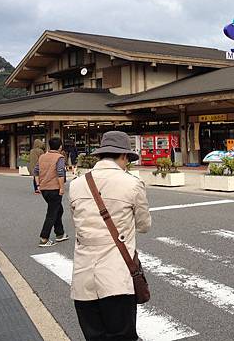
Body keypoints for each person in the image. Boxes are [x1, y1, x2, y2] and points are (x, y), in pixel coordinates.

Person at [69, 131, 151, 341]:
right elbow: (144, 226)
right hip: (117, 278)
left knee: (94, 336)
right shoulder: (132, 183)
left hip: (83, 278)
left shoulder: (77, 184)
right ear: (123, 156)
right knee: (122, 336)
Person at [34, 137, 69, 247]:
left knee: (58, 210)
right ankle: (44, 238)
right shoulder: (59, 157)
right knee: (52, 213)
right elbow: (60, 173)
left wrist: (38, 185)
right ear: (60, 147)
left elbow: (36, 172)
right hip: (54, 189)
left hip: (44, 189)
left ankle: (60, 234)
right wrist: (62, 188)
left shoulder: (42, 157)